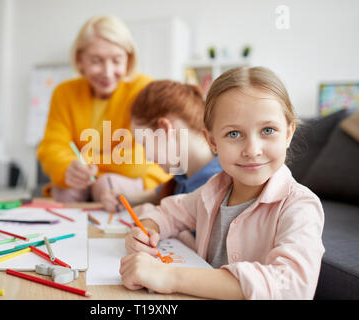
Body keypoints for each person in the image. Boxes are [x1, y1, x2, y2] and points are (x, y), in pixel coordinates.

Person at [119, 66, 325, 300]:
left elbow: (291, 287)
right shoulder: (213, 191)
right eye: (234, 134)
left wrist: (170, 276)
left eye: (268, 130)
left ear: (288, 134)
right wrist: (146, 229)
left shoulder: (300, 206)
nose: (252, 150)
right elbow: (168, 213)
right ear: (213, 141)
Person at [37, 16, 169, 202]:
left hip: (141, 180)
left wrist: (88, 161)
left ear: (129, 59)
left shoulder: (144, 89)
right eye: (96, 61)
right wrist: (67, 168)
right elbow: (52, 146)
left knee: (106, 183)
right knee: (65, 190)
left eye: (116, 61)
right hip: (89, 180)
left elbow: (137, 161)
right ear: (80, 59)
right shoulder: (64, 92)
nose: (107, 72)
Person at [100, 80, 222, 215]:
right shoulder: (184, 176)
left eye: (145, 143)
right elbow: (161, 193)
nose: (147, 156)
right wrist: (124, 198)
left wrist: (158, 218)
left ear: (165, 128)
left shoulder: (218, 186)